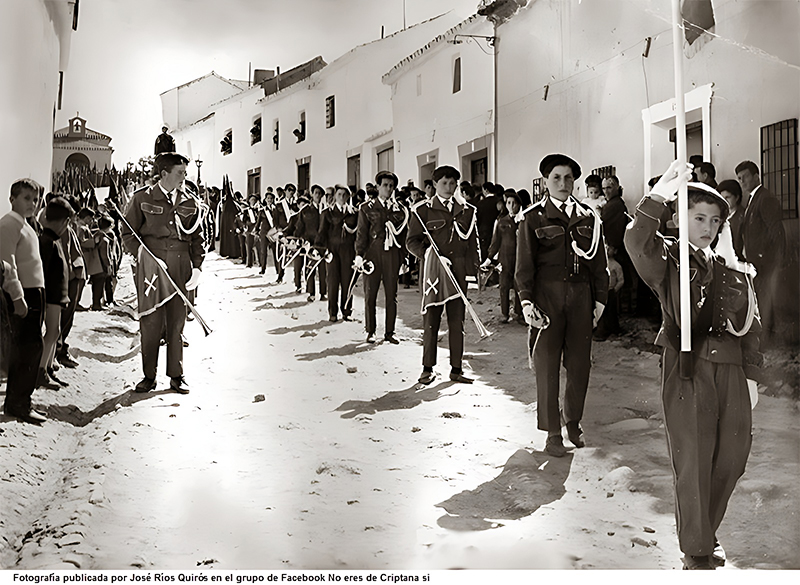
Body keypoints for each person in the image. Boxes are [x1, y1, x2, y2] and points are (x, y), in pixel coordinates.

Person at [624, 161, 762, 570]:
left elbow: (752, 321)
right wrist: (657, 199)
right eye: (698, 217)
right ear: (682, 219)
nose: (707, 226)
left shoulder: (732, 268)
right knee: (695, 459)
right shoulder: (669, 260)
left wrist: (752, 373)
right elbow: (636, 243)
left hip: (733, 371)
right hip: (689, 366)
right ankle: (696, 549)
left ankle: (704, 529)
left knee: (733, 457)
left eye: (715, 220)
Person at [515, 154, 609, 457]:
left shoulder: (589, 217)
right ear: (545, 180)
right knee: (547, 365)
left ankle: (573, 422)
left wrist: (599, 301)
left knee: (580, 364)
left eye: (568, 178)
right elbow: (524, 266)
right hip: (547, 300)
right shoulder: (532, 217)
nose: (563, 183)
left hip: (581, 298)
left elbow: (599, 265)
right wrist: (527, 301)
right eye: (556, 177)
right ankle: (553, 432)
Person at [121, 153, 205, 395]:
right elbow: (128, 233)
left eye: (185, 173)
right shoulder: (142, 198)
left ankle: (177, 375)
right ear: (164, 173)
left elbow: (199, 237)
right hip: (152, 268)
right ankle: (149, 376)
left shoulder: (191, 201)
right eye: (180, 173)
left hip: (181, 265)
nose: (184, 178)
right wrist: (144, 256)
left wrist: (198, 266)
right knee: (150, 321)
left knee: (177, 321)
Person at [407, 165, 480, 384]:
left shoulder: (467, 210)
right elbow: (411, 242)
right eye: (444, 183)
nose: (449, 187)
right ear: (435, 185)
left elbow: (473, 244)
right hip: (434, 273)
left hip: (457, 272)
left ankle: (456, 369)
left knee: (457, 321)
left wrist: (472, 273)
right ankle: (427, 368)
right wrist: (428, 254)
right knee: (431, 320)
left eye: (452, 183)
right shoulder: (422, 211)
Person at [0, 179, 47, 423]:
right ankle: (18, 403)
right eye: (26, 198)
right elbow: (8, 264)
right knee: (26, 348)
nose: (32, 203)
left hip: (34, 292)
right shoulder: (9, 223)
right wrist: (17, 297)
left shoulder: (27, 225)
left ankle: (19, 400)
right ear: (12, 199)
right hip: (24, 294)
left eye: (35, 199)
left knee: (31, 347)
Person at [354, 171, 409, 344]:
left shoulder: (400, 210)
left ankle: (390, 332)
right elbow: (362, 234)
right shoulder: (367, 208)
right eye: (385, 185)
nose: (388, 189)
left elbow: (403, 237)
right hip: (373, 255)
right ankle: (371, 331)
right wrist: (359, 256)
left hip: (392, 255)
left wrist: (405, 258)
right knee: (370, 294)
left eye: (392, 186)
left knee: (391, 295)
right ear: (377, 187)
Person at [735, 160, 786, 347]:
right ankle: (765, 337)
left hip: (767, 263)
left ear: (756, 176)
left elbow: (776, 232)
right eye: (739, 178)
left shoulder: (765, 198)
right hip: (757, 262)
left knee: (765, 300)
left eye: (745, 177)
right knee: (760, 298)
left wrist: (777, 261)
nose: (742, 181)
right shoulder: (752, 199)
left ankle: (767, 339)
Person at [36, 197, 74, 390]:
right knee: (51, 332)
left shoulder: (51, 240)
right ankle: (40, 370)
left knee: (55, 331)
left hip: (55, 297)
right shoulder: (47, 242)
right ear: (64, 222)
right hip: (50, 296)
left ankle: (48, 367)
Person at [596, 174, 631, 340]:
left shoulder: (615, 205)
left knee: (609, 295)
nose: (606, 191)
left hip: (613, 252)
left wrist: (611, 248)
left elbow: (607, 227)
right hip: (611, 250)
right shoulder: (612, 204)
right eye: (603, 188)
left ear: (617, 187)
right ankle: (613, 327)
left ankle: (607, 328)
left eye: (609, 187)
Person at [316, 185, 358, 322]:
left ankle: (346, 311)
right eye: (339, 194)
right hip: (332, 252)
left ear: (348, 197)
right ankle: (332, 313)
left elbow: (358, 234)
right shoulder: (326, 213)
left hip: (348, 252)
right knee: (333, 282)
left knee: (348, 282)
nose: (342, 197)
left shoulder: (354, 213)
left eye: (345, 195)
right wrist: (323, 251)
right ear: (334, 196)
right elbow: (321, 234)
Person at [483, 190, 523, 323]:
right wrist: (489, 258)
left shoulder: (523, 221)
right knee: (504, 285)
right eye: (508, 203)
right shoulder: (501, 222)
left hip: (520, 258)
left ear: (518, 205)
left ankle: (519, 313)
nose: (511, 206)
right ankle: (504, 313)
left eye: (514, 203)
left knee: (519, 285)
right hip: (505, 258)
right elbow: (496, 241)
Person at [55, 199, 87, 368]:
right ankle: (59, 352)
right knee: (63, 320)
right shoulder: (63, 230)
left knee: (66, 319)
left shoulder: (69, 229)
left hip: (74, 278)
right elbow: (67, 255)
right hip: (68, 279)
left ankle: (60, 349)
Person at [716, 179, 745, 261]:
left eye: (728, 197)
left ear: (737, 197)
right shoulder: (719, 216)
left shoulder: (743, 217)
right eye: (722, 198)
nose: (725, 201)